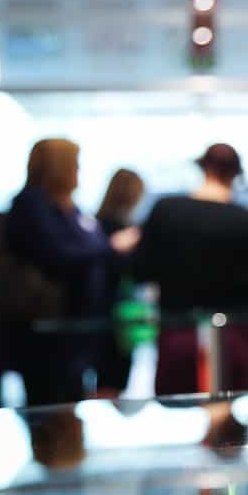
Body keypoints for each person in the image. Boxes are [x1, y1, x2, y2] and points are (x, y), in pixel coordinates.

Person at [4, 139, 139, 406]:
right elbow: (57, 254)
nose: (78, 172)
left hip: (74, 328)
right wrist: (111, 246)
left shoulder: (67, 208)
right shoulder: (32, 205)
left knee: (70, 405)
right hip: (48, 330)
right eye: (74, 165)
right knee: (51, 409)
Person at [132, 143, 248, 395]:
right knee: (230, 423)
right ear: (235, 173)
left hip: (177, 334)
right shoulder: (246, 220)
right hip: (232, 339)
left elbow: (141, 270)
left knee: (177, 416)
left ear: (203, 167)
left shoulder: (166, 210)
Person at [94, 168, 146, 396]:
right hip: (110, 310)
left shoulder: (97, 224)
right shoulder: (108, 228)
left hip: (116, 308)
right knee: (110, 376)